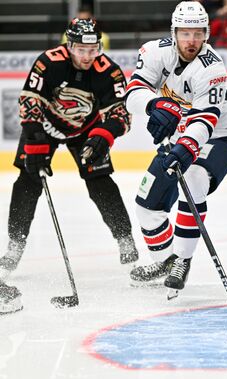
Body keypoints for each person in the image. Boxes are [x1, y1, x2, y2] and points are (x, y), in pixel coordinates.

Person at [0, 18, 139, 280]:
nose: (87, 56)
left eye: (93, 49)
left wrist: (104, 135)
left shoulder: (109, 71)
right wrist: (34, 137)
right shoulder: (49, 62)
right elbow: (30, 99)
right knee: (28, 181)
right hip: (45, 126)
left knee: (99, 180)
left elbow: (121, 114)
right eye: (81, 50)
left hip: (87, 130)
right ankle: (15, 245)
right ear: (69, 45)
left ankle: (125, 238)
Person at [125, 1, 227, 294]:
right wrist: (155, 105)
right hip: (180, 133)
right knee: (145, 204)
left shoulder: (213, 68)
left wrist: (187, 146)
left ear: (207, 33)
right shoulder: (153, 52)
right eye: (185, 32)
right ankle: (166, 260)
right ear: (174, 32)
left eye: (198, 32)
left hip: (217, 136)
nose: (192, 40)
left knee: (193, 179)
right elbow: (133, 93)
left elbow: (206, 118)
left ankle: (183, 261)